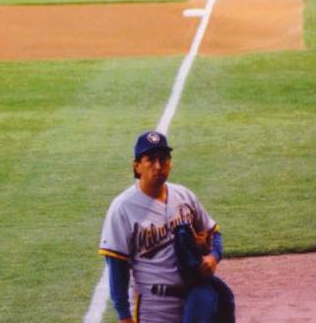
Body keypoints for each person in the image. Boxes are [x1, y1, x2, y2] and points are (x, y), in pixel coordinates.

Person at [99, 131, 232, 323]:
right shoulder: (122, 208)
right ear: (137, 166)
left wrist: (213, 257)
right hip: (153, 310)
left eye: (163, 159)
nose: (158, 166)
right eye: (150, 160)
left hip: (193, 303)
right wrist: (124, 317)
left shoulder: (184, 196)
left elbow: (214, 232)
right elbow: (117, 268)